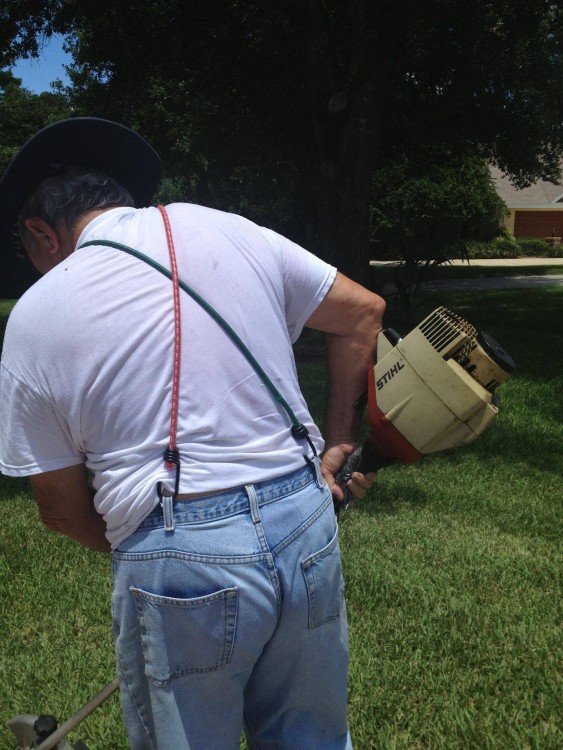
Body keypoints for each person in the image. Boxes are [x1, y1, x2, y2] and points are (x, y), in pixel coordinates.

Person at [0, 118, 385, 749]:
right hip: (305, 516)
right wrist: (339, 438)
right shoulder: (228, 227)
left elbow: (61, 511)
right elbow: (362, 312)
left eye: (26, 251)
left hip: (179, 543)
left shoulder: (36, 316)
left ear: (43, 233)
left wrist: (172, 561)